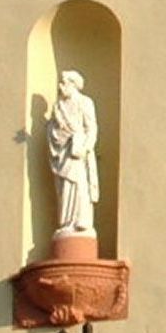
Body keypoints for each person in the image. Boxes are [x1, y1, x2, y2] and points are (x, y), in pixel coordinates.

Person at [47, 69, 100, 240]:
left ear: (73, 84)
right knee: (64, 188)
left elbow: (91, 127)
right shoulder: (58, 107)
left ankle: (81, 221)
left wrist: (85, 147)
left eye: (64, 83)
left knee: (79, 184)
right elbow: (52, 129)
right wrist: (55, 133)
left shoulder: (85, 102)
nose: (60, 87)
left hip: (78, 151)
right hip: (62, 151)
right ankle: (66, 221)